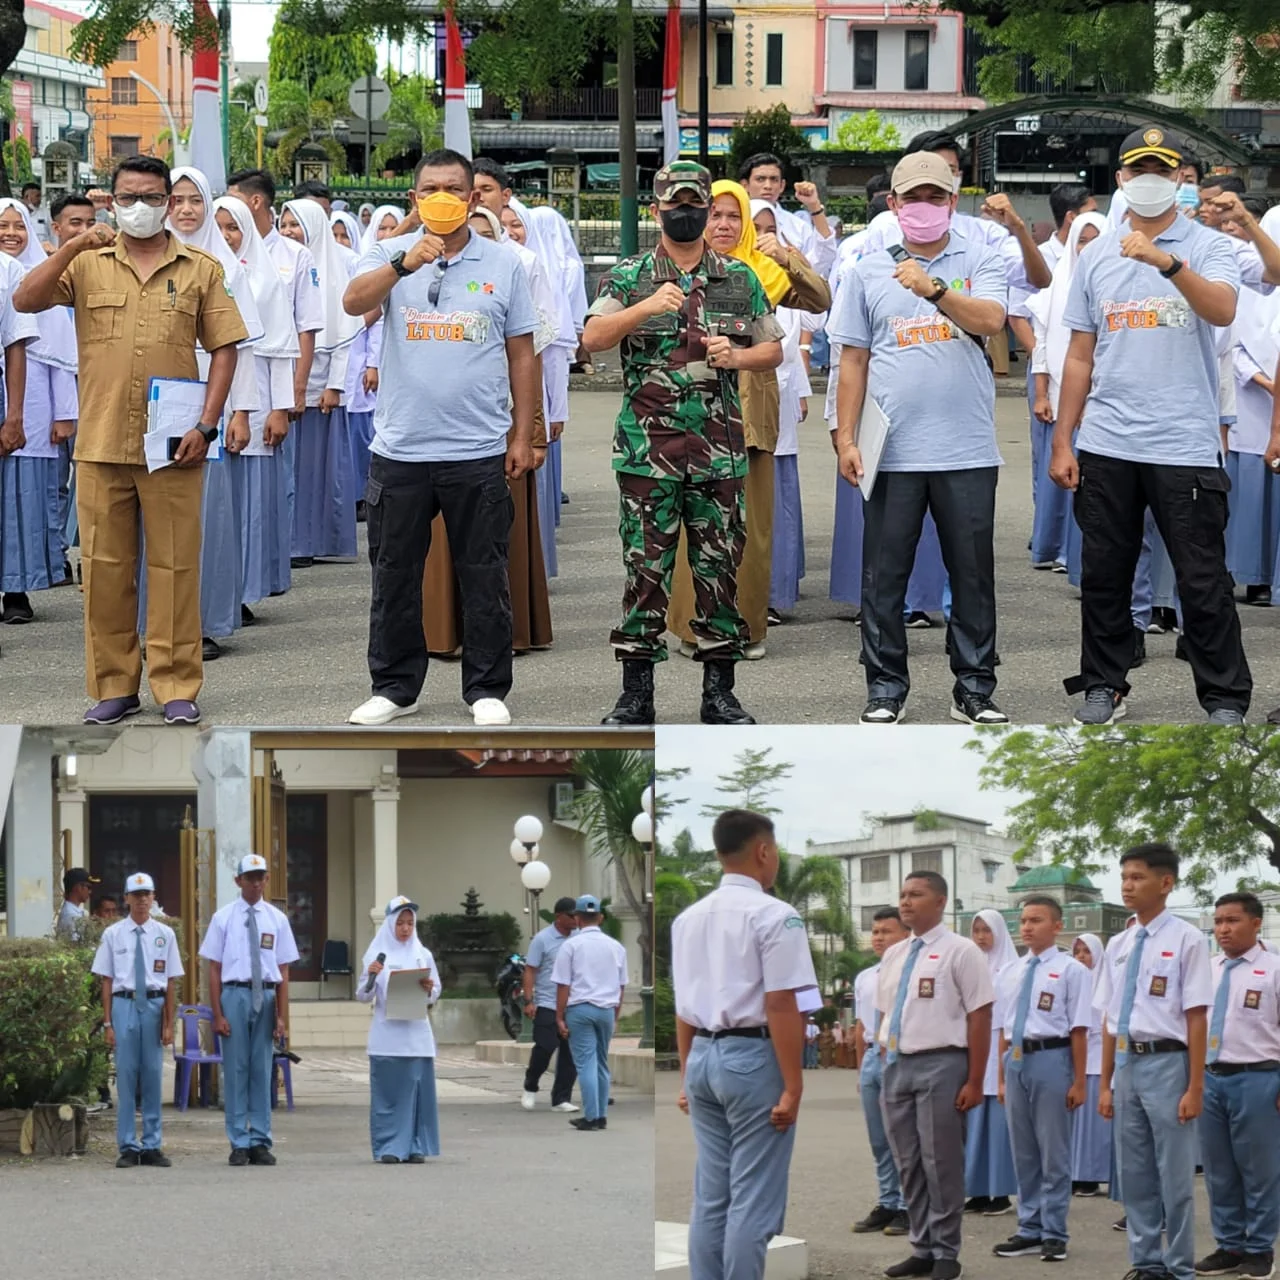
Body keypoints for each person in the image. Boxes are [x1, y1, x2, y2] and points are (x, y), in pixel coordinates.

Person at [13, 156, 248, 727]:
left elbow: (225, 347)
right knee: (105, 570)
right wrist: (69, 247)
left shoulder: (200, 268)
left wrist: (207, 425)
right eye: (126, 197)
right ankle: (114, 685)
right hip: (100, 441)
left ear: (169, 202)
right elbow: (25, 300)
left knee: (174, 569)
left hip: (174, 446)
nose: (138, 207)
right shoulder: (88, 264)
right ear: (110, 201)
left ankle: (175, 684)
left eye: (150, 196)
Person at [1049, 127, 1248, 726]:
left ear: (1180, 178)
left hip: (1183, 438)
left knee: (1202, 576)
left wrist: (1166, 262)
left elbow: (1222, 309)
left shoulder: (1208, 246)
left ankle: (1223, 695)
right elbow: (1080, 353)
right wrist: (1064, 438)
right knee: (1105, 572)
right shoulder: (1095, 252)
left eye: (1164, 169)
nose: (1151, 179)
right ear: (1121, 181)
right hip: (1109, 439)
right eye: (1140, 170)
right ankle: (1103, 683)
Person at [342, 148, 539, 730]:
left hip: (476, 448)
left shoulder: (503, 264)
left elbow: (522, 351)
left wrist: (521, 434)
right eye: (430, 189)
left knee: (484, 571)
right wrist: (404, 263)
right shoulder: (388, 253)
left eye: (454, 188)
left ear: (475, 197)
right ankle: (395, 687)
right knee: (394, 573)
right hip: (401, 448)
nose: (443, 198)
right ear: (414, 198)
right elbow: (353, 303)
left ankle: (486, 688)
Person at [582, 161, 784, 727]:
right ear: (657, 212)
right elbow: (593, 337)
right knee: (645, 572)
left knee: (718, 571)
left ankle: (719, 692)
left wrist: (738, 356)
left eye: (696, 203)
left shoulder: (738, 278)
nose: (688, 213)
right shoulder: (629, 276)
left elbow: (773, 349)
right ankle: (635, 694)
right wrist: (645, 307)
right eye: (676, 205)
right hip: (649, 455)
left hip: (718, 452)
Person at [831, 150, 1010, 727]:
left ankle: (975, 688)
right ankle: (885, 688)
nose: (926, 207)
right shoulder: (865, 269)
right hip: (894, 450)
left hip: (966, 448)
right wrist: (846, 437)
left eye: (937, 197)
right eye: (914, 198)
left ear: (954, 203)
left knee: (973, 575)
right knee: (884, 578)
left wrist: (934, 290)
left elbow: (989, 320)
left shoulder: (981, 256)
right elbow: (853, 359)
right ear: (894, 204)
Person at [666, 181, 830, 660]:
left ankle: (749, 628)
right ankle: (691, 629)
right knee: (688, 528)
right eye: (714, 214)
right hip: (688, 417)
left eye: (732, 217)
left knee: (751, 529)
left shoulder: (762, 273)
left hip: (751, 416)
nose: (722, 225)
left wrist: (786, 256)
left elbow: (820, 299)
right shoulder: (678, 270)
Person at [671, 809, 819, 1280]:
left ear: (718, 854)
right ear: (764, 851)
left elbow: (683, 1006)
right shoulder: (777, 915)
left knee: (712, 1195)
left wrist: (684, 1075)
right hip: (753, 1058)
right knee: (753, 1196)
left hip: (703, 1057)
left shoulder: (688, 919)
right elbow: (781, 1004)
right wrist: (793, 1085)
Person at [419, 202, 552, 662]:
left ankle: (499, 647)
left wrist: (530, 433)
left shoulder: (509, 273)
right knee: (437, 544)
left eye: (485, 234)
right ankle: (440, 632)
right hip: (433, 435)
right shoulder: (419, 272)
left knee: (490, 550)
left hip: (494, 428)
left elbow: (531, 356)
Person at [158, 166, 265, 662]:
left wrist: (238, 413)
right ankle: (151, 622)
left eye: (193, 200)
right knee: (153, 518)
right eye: (175, 199)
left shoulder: (228, 270)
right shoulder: (142, 262)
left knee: (202, 518)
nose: (184, 209)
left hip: (208, 408)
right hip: (152, 406)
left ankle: (200, 624)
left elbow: (236, 349)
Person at [1094, 842, 1212, 1280]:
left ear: (1166, 883)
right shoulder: (1120, 944)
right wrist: (1105, 1083)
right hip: (1128, 1064)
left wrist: (1194, 1087)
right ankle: (1146, 1264)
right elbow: (1108, 1018)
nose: (1127, 885)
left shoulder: (1187, 938)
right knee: (1135, 1173)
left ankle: (1179, 1267)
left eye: (1137, 877)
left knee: (1175, 1177)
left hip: (1169, 1063)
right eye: (1124, 877)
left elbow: (1196, 1016)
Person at [876, 870, 994, 1280]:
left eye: (917, 894)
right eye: (903, 894)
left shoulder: (960, 951)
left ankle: (946, 1252)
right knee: (908, 1162)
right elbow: (888, 1013)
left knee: (940, 1162)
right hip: (897, 1064)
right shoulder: (893, 954)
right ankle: (921, 1247)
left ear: (941, 901)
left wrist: (975, 1080)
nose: (906, 901)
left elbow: (980, 1015)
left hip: (942, 1063)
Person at [224, 169, 324, 599]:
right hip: (214, 384)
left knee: (258, 492)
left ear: (255, 203)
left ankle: (251, 584)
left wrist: (293, 394)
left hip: (266, 381)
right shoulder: (211, 256)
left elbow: (301, 329)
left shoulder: (291, 256)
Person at [212, 195, 300, 614]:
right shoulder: (198, 267)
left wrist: (281, 407)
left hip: (257, 397)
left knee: (247, 504)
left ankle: (244, 592)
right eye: (221, 226)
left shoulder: (265, 278)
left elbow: (282, 346)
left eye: (235, 227)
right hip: (205, 393)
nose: (228, 236)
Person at [991, 896, 1090, 1264]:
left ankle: (1054, 1233)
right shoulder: (1010, 971)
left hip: (1053, 1058)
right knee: (1024, 1151)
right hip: (1016, 1061)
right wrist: (1001, 1079)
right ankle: (1028, 1228)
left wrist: (1079, 1082)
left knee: (1054, 1152)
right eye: (1024, 920)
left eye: (1037, 920)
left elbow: (1079, 1029)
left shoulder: (1071, 970)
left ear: (1057, 926)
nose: (1027, 927)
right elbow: (1002, 1029)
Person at [1194, 892, 1280, 1280]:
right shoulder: (1206, 970)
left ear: (1256, 922)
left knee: (1259, 1170)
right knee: (1218, 1169)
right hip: (1211, 1078)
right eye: (1218, 921)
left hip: (1258, 1077)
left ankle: (1260, 1249)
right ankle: (1229, 1244)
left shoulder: (1274, 968)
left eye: (1232, 920)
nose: (1223, 929)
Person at [199, 852, 299, 1166]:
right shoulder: (223, 917)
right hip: (235, 993)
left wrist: (282, 1016)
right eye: (250, 877)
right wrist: (217, 1013)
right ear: (238, 880)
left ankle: (260, 1139)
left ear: (267, 879)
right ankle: (238, 1141)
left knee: (262, 1069)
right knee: (236, 1069)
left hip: (266, 997)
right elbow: (214, 968)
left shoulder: (277, 919)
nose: (256, 883)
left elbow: (283, 971)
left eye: (261, 877)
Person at [277, 197, 361, 569]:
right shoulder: (281, 264)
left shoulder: (334, 269)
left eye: (296, 225)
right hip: (283, 379)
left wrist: (336, 386)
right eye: (285, 225)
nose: (289, 232)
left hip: (320, 388)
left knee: (313, 470)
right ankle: (287, 539)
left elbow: (345, 334)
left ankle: (308, 541)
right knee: (288, 468)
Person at [1026, 212, 1109, 575]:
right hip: (1061, 397)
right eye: (1082, 239)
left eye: (1096, 239)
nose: (1088, 247)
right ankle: (1057, 549)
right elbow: (1042, 342)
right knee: (1061, 477)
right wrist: (1042, 392)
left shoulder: (1114, 281)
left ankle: (1080, 560)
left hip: (1103, 402)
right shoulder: (1059, 281)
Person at [0, 199, 71, 623]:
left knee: (16, 500)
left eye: (17, 225)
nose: (10, 233)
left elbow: (18, 346)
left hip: (13, 397)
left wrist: (14, 415)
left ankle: (16, 589)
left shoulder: (12, 273)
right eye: (1, 225)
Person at [91, 872, 182, 1167]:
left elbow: (170, 982)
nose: (143, 900)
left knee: (153, 1075)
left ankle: (153, 1145)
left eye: (147, 894)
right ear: (127, 898)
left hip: (154, 1006)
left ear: (153, 897)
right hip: (124, 1004)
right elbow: (106, 980)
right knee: (127, 1076)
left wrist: (169, 1023)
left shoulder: (165, 934)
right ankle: (128, 1145)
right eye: (137, 895)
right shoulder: (113, 934)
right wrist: (107, 1023)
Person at [355, 895, 442, 1164]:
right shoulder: (375, 956)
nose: (405, 929)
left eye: (410, 923)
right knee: (389, 1096)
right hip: (387, 1036)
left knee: (416, 1094)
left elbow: (435, 991)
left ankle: (415, 1145)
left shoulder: (422, 954)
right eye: (400, 923)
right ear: (390, 924)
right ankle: (389, 1146)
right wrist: (371, 976)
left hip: (416, 1036)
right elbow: (362, 995)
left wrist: (429, 990)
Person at [852, 905, 911, 1238]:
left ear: (905, 934)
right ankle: (887, 1200)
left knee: (901, 1137)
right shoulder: (865, 977)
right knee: (878, 1140)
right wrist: (862, 1067)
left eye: (886, 931)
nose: (879, 938)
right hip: (874, 1057)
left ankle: (907, 1205)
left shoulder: (910, 973)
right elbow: (862, 1025)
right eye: (875, 932)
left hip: (900, 1055)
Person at [552, 894, 628, 1132]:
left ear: (578, 919)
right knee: (602, 1064)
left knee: (585, 1063)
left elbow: (563, 984)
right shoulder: (616, 947)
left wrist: (559, 1016)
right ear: (601, 917)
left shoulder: (571, 946)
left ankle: (591, 1116)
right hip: (606, 1009)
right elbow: (621, 985)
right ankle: (601, 1115)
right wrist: (615, 1013)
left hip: (580, 1009)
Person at [965, 908, 1020, 1217]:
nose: (981, 937)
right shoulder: (972, 965)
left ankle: (1000, 1193)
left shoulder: (1013, 969)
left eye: (987, 930)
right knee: (974, 1125)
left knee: (998, 1127)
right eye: (977, 931)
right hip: (974, 1045)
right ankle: (978, 1190)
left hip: (999, 1044)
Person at [520, 896, 580, 1114]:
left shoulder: (579, 937)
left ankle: (561, 1098)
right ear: (558, 916)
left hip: (574, 1003)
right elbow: (530, 969)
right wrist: (528, 1000)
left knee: (570, 1053)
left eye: (577, 915)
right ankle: (531, 1083)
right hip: (547, 1002)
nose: (575, 919)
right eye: (571, 915)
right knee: (545, 1047)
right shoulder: (542, 939)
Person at [738, 152, 837, 275]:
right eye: (760, 179)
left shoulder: (798, 227)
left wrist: (814, 205)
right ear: (745, 185)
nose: (768, 186)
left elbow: (820, 262)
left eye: (774, 180)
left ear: (782, 185)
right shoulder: (734, 221)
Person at [1068, 933, 1111, 1197]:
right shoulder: (1072, 980)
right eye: (1077, 951)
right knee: (1076, 1124)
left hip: (1097, 1060)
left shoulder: (1104, 983)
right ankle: (1077, 1172)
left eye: (1087, 951)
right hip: (1076, 1060)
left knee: (1094, 1126)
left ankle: (1092, 1175)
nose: (1082, 956)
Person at [57, 866, 98, 939]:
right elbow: (76, 946)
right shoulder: (70, 915)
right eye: (88, 887)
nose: (90, 892)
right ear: (78, 887)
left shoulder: (75, 911)